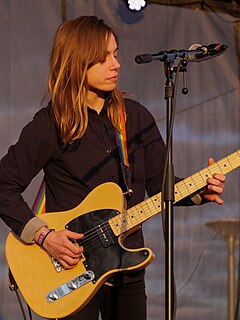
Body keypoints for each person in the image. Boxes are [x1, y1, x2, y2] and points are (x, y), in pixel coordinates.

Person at [0, 16, 225, 320]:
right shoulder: (50, 125)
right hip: (70, 270)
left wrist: (201, 190)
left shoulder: (137, 118)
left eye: (115, 54)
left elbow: (162, 186)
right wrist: (44, 236)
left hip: (127, 270)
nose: (116, 64)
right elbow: (4, 185)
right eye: (103, 58)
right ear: (77, 62)